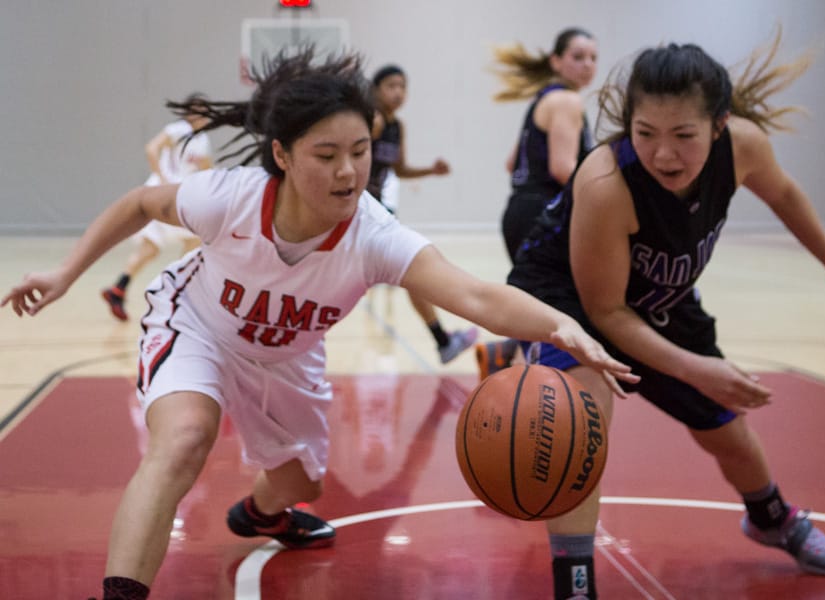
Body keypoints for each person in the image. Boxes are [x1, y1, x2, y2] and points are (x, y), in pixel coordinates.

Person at [1, 48, 637, 600]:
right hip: (198, 327)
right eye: (326, 154)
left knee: (301, 483)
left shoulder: (374, 236)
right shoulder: (232, 197)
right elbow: (141, 203)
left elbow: (476, 295)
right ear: (281, 154)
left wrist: (562, 326)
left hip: (288, 358)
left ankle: (261, 515)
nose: (347, 172)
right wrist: (65, 274)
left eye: (359, 152)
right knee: (185, 438)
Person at [506, 32, 825, 598]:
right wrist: (693, 368)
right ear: (628, 125)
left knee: (729, 433)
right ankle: (576, 582)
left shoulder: (745, 146)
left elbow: (783, 194)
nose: (664, 154)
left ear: (719, 124)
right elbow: (606, 312)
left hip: (660, 298)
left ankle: (770, 518)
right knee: (581, 423)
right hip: (569, 295)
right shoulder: (607, 181)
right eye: (645, 134)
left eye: (684, 135)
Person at [475, 28, 598, 380]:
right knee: (557, 307)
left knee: (537, 301)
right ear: (556, 61)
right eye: (578, 57)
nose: (587, 65)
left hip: (519, 211)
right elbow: (563, 169)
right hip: (545, 215)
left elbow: (511, 163)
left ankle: (505, 356)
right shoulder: (567, 102)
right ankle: (522, 379)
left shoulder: (543, 100)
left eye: (592, 58)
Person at [368, 64, 477, 364]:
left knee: (412, 271)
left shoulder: (396, 126)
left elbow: (399, 169)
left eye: (403, 86)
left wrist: (431, 170)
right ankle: (443, 342)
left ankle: (443, 342)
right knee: (413, 268)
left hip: (377, 212)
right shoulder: (373, 122)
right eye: (391, 85)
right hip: (360, 212)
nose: (398, 92)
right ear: (375, 90)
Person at [101, 96, 213, 321]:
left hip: (175, 195)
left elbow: (206, 167)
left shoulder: (202, 140)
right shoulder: (178, 129)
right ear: (190, 112)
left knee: (150, 249)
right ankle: (179, 296)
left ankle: (118, 289)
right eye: (199, 110)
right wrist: (163, 178)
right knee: (193, 243)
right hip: (166, 196)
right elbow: (152, 148)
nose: (202, 115)